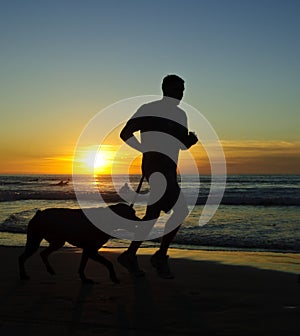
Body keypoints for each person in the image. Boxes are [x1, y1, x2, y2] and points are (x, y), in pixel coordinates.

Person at [117, 74, 198, 279]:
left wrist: (190, 142)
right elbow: (125, 133)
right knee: (180, 210)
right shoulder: (148, 109)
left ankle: (130, 255)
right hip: (155, 168)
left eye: (182, 90)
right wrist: (144, 149)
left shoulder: (181, 115)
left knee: (152, 215)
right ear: (165, 90)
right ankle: (160, 256)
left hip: (170, 169)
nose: (179, 94)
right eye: (175, 89)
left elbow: (181, 145)